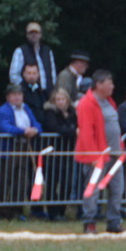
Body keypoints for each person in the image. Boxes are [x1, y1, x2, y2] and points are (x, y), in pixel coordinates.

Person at [75, 70, 124, 234]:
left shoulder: (109, 101)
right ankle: (89, 222)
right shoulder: (86, 103)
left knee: (117, 189)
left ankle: (114, 221)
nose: (112, 86)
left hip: (115, 154)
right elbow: (86, 132)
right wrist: (93, 155)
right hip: (98, 156)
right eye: (109, 83)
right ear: (99, 84)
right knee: (93, 189)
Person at [0, 83, 43, 219]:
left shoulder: (26, 108)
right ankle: (3, 211)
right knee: (5, 180)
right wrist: (23, 131)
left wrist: (35, 130)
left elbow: (36, 123)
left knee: (21, 179)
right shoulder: (3, 111)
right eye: (14, 95)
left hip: (24, 147)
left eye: (19, 94)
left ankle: (17, 210)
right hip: (9, 148)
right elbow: (5, 127)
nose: (17, 97)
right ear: (8, 97)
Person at [39, 86, 77, 218]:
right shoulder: (49, 112)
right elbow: (54, 127)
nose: (60, 102)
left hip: (68, 153)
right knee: (51, 184)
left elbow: (75, 126)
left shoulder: (73, 112)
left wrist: (70, 130)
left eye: (63, 99)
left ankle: (62, 211)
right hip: (53, 154)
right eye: (58, 100)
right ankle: (53, 212)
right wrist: (72, 131)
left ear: (67, 100)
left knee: (67, 184)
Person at [9, 22, 57, 89]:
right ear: (27, 35)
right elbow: (14, 76)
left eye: (36, 32)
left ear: (40, 34)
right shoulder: (20, 51)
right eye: (31, 32)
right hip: (29, 94)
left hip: (47, 94)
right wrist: (24, 90)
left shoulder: (48, 51)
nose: (34, 35)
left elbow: (53, 74)